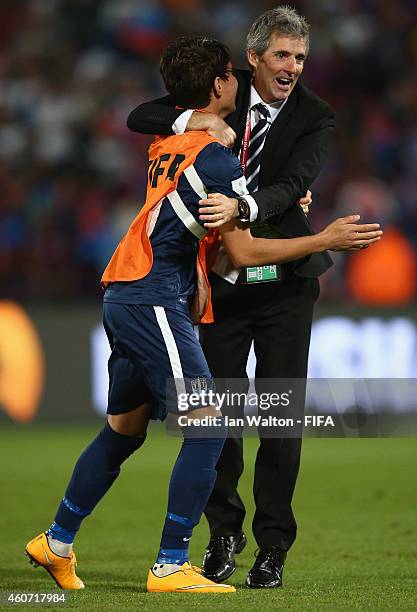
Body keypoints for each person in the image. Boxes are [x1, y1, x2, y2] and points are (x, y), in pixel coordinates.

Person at [25, 35, 381, 594]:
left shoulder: (168, 145)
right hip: (155, 297)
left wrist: (256, 198)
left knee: (125, 429)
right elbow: (241, 252)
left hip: (124, 290)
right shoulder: (214, 158)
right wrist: (325, 239)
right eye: (231, 77)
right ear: (219, 85)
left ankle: (57, 540)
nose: (239, 83)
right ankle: (171, 564)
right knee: (210, 424)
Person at [126, 6, 339, 588]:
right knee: (215, 415)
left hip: (286, 286)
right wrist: (194, 119)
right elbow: (141, 114)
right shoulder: (223, 98)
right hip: (219, 283)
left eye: (299, 57)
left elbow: (295, 184)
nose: (292, 67)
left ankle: (273, 547)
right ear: (253, 58)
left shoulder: (315, 116)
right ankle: (223, 533)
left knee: (279, 420)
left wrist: (244, 206)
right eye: (281, 56)